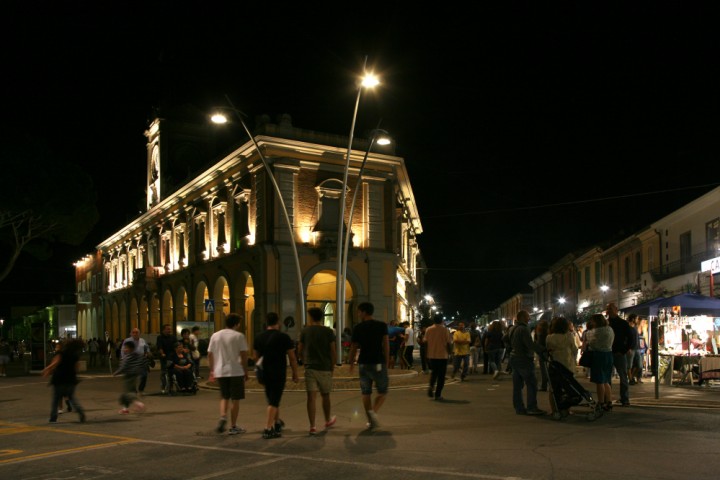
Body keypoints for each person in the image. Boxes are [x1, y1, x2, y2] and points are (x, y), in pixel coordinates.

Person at [253, 312, 299, 439]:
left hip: (265, 373)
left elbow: (255, 356)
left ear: (266, 322)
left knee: (272, 398)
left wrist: (259, 369)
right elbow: (292, 357)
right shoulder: (284, 337)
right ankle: (268, 428)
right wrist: (295, 373)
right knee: (274, 401)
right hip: (278, 372)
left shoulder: (259, 337)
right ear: (278, 322)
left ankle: (277, 422)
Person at [348, 302, 389, 430]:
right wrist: (386, 362)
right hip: (378, 362)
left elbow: (353, 347)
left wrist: (351, 363)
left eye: (359, 311)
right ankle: (373, 412)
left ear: (364, 312)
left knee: (366, 392)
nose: (358, 313)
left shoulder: (358, 328)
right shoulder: (382, 326)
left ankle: (371, 421)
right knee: (382, 391)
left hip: (363, 363)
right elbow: (386, 345)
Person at [207, 313, 249, 435]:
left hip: (220, 371)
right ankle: (233, 426)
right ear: (236, 324)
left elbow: (210, 354)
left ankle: (223, 417)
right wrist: (245, 371)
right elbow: (244, 355)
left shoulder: (215, 335)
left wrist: (212, 370)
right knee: (235, 399)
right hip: (235, 371)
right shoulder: (239, 336)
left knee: (224, 396)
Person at [297, 307, 337, 435]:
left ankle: (312, 426)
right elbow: (333, 351)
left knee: (311, 397)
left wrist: (304, 361)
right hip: (325, 367)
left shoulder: (305, 331)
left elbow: (299, 349)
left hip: (310, 367)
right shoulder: (328, 332)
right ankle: (327, 420)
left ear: (310, 317)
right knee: (325, 395)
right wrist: (332, 367)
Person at [503, 310, 547, 416]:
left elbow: (504, 339)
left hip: (514, 358)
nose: (529, 319)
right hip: (524, 359)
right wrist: (542, 349)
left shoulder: (512, 328)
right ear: (522, 317)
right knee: (532, 383)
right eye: (528, 317)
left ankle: (519, 407)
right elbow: (529, 344)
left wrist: (511, 349)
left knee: (517, 385)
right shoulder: (523, 329)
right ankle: (532, 407)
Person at [42, 339, 86, 424]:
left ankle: (53, 418)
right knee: (72, 398)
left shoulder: (61, 353)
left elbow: (56, 363)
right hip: (70, 380)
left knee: (56, 399)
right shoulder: (75, 355)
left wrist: (47, 369)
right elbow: (77, 367)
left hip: (59, 379)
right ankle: (81, 413)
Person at [584, 313, 615, 416]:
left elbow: (590, 343)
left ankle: (601, 402)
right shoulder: (609, 329)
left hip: (598, 355)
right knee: (606, 379)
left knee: (599, 381)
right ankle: (609, 402)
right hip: (609, 355)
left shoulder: (593, 332)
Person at [607, 303, 635, 407]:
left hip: (618, 352)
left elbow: (630, 339)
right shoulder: (607, 323)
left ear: (616, 310)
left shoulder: (622, 323)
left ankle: (624, 398)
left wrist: (623, 350)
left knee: (622, 376)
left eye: (610, 309)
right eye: (608, 309)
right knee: (608, 378)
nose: (609, 311)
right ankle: (608, 399)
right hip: (610, 352)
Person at [113, 340, 147, 414]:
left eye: (126, 348)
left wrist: (116, 373)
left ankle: (138, 403)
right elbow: (143, 362)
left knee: (128, 393)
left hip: (128, 376)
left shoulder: (127, 357)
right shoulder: (138, 355)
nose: (124, 349)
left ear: (131, 349)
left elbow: (123, 367)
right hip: (135, 376)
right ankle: (125, 409)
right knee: (128, 392)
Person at [423, 315, 452, 400]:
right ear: (442, 320)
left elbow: (425, 342)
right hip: (442, 355)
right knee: (441, 376)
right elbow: (448, 343)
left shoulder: (428, 329)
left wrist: (426, 355)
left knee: (434, 373)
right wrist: (450, 353)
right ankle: (438, 394)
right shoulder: (445, 330)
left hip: (432, 355)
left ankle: (431, 386)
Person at [121, 328, 150, 396]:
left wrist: (147, 353)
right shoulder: (127, 341)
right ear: (131, 333)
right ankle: (133, 390)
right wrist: (123, 358)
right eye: (133, 332)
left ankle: (141, 389)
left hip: (141, 360)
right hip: (131, 361)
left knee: (144, 375)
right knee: (132, 377)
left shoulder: (142, 341)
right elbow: (123, 350)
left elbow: (147, 348)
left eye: (136, 332)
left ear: (139, 333)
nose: (135, 334)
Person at [156, 324, 177, 393]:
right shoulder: (160, 337)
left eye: (170, 329)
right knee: (164, 372)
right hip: (164, 357)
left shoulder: (173, 337)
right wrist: (162, 353)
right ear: (163, 330)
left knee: (172, 372)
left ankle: (171, 387)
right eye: (168, 329)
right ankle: (163, 387)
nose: (169, 330)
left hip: (172, 357)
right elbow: (160, 347)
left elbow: (176, 346)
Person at [535, 319, 550, 391]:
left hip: (542, 353)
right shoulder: (548, 333)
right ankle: (548, 385)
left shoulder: (540, 334)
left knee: (544, 370)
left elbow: (538, 344)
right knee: (547, 369)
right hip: (548, 353)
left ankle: (544, 385)